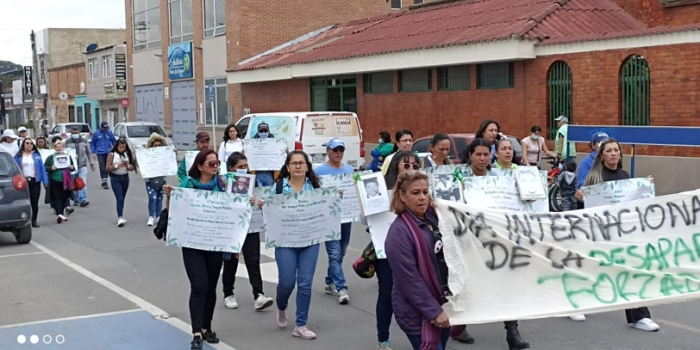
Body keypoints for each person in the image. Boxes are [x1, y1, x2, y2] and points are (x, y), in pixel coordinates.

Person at [573, 138, 659, 331]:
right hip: (599, 234)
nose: (613, 153)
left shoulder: (624, 175)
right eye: (609, 151)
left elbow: (632, 203)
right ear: (601, 155)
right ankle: (574, 302)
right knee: (590, 269)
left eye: (616, 150)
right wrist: (580, 199)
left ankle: (639, 316)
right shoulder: (594, 178)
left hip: (621, 233)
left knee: (630, 271)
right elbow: (584, 208)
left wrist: (645, 188)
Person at [452, 138, 530, 350]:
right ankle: (458, 325)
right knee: (467, 284)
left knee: (506, 284)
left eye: (486, 154)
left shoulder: (501, 178)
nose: (482, 159)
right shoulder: (460, 177)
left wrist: (531, 196)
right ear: (471, 155)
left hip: (497, 241)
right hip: (468, 240)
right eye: (478, 154)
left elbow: (516, 204)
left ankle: (512, 331)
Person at [164, 149, 226, 350]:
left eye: (217, 163)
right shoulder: (188, 184)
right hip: (192, 243)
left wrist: (246, 202)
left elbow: (234, 210)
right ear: (199, 166)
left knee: (210, 287)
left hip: (215, 242)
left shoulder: (223, 184)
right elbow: (175, 209)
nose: (215, 166)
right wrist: (170, 197)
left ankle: (207, 326)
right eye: (211, 164)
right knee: (199, 285)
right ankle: (197, 331)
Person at [258, 151, 322, 340]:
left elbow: (325, 210)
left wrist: (334, 197)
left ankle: (301, 325)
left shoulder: (317, 188)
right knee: (286, 282)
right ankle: (282, 306)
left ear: (307, 166)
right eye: (294, 163)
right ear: (287, 167)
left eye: (301, 163)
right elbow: (267, 212)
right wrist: (262, 205)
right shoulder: (277, 188)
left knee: (305, 283)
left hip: (310, 241)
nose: (298, 166)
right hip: (285, 241)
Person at [385, 170, 451, 350]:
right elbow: (410, 280)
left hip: (444, 302)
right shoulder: (398, 233)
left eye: (425, 191)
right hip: (419, 312)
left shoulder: (434, 219)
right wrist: (434, 311)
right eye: (415, 193)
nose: (422, 197)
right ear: (402, 196)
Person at [373, 150, 420, 350]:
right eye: (406, 165)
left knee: (419, 293)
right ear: (396, 167)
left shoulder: (423, 191)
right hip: (387, 254)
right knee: (387, 295)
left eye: (415, 166)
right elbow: (367, 220)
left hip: (417, 252)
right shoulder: (380, 189)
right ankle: (383, 340)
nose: (411, 169)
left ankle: (422, 336)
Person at [221, 152, 275, 311]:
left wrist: (259, 202)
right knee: (231, 262)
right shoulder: (225, 182)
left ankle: (259, 295)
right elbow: (222, 204)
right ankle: (228, 293)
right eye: (240, 167)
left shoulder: (253, 181)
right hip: (232, 229)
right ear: (232, 168)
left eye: (246, 166)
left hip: (251, 227)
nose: (244, 169)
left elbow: (262, 198)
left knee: (253, 261)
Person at [314, 138, 354, 304]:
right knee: (335, 253)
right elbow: (315, 194)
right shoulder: (319, 171)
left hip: (346, 217)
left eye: (341, 150)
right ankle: (341, 288)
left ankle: (329, 281)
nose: (338, 153)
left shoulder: (350, 170)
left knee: (342, 251)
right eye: (335, 150)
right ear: (328, 151)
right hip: (328, 218)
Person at [14, 138, 48, 228]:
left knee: (34, 202)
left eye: (31, 143)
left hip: (35, 181)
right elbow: (14, 169)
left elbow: (42, 169)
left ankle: (34, 220)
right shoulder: (18, 156)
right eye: (27, 143)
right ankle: (24, 219)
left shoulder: (36, 155)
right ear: (23, 145)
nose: (29, 145)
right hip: (23, 182)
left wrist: (45, 181)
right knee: (24, 202)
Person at [106, 139, 137, 227]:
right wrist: (117, 166)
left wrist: (128, 166)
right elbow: (108, 168)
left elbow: (133, 167)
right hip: (116, 178)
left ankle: (121, 215)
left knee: (122, 198)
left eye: (124, 147)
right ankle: (120, 217)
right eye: (120, 147)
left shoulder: (126, 154)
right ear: (117, 146)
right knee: (119, 198)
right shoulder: (112, 154)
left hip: (125, 178)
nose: (122, 149)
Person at [44, 139, 75, 224]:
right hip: (54, 180)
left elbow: (72, 167)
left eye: (60, 146)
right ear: (54, 148)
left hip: (66, 180)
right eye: (57, 147)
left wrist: (72, 167)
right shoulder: (51, 158)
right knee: (57, 198)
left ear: (63, 147)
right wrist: (51, 168)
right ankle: (59, 214)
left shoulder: (67, 156)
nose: (59, 148)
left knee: (64, 198)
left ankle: (61, 214)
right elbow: (45, 167)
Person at [65, 126, 95, 208]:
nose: (75, 134)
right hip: (72, 167)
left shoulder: (85, 142)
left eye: (76, 133)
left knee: (82, 182)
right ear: (71, 133)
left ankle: (83, 199)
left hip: (82, 165)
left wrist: (92, 164)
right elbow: (65, 154)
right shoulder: (67, 142)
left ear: (79, 133)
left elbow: (89, 153)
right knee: (73, 183)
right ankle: (76, 199)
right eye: (73, 133)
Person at [145, 133, 168, 226]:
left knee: (160, 197)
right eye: (155, 145)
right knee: (152, 197)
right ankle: (151, 216)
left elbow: (171, 162)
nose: (157, 147)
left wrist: (173, 152)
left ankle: (158, 216)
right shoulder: (146, 154)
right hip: (150, 179)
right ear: (151, 145)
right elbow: (140, 163)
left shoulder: (164, 153)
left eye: (159, 145)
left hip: (162, 178)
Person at [91, 121, 117, 189]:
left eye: (106, 128)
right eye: (104, 128)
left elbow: (114, 142)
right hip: (100, 152)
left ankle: (105, 178)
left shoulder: (109, 132)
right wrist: (93, 152)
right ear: (101, 127)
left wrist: (116, 150)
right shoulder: (96, 133)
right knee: (102, 167)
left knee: (107, 167)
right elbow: (92, 143)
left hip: (108, 152)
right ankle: (104, 180)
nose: (105, 129)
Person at [252, 122, 275, 187]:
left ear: (269, 132)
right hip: (257, 174)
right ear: (258, 132)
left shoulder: (276, 143)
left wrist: (285, 152)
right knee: (258, 194)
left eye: (265, 131)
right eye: (261, 131)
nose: (263, 132)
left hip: (269, 174)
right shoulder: (251, 143)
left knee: (269, 195)